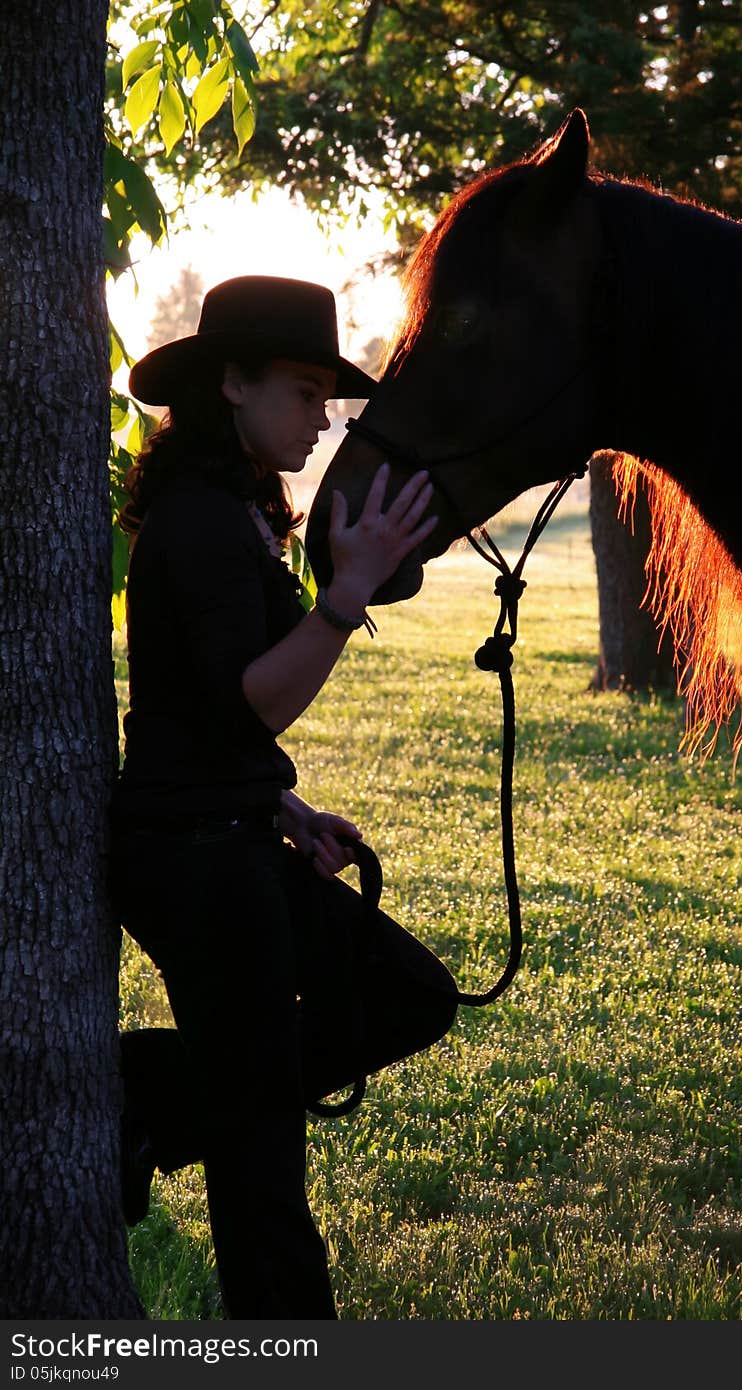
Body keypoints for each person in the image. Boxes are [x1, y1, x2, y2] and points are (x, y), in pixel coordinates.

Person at [110, 275, 437, 1319]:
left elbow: (205, 713)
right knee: (260, 1170)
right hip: (194, 862)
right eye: (303, 392)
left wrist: (282, 809)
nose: (318, 417)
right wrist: (344, 597)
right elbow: (253, 701)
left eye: (325, 398)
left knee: (407, 995)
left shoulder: (233, 516)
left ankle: (151, 1100)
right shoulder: (200, 522)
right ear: (234, 384)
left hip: (230, 836)